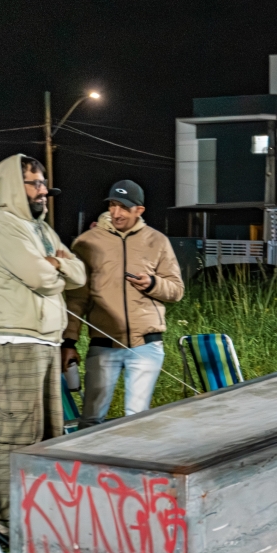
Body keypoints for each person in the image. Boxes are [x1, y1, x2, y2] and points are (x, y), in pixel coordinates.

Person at [0, 154, 86, 525]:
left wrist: (59, 264)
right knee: (19, 433)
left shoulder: (42, 230)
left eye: (43, 183)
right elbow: (41, 278)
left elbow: (80, 274)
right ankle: (12, 519)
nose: (43, 191)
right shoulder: (3, 224)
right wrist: (57, 267)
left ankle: (42, 511)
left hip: (46, 340)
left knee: (49, 433)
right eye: (34, 183)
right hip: (18, 340)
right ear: (14, 185)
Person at [62, 181, 184, 428]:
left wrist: (152, 283)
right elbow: (76, 299)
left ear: (139, 210)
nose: (116, 213)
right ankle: (88, 466)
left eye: (124, 208)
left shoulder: (157, 241)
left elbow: (176, 290)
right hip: (103, 343)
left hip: (146, 346)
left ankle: (132, 467)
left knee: (136, 421)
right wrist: (69, 342)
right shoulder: (87, 242)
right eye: (113, 205)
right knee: (91, 420)